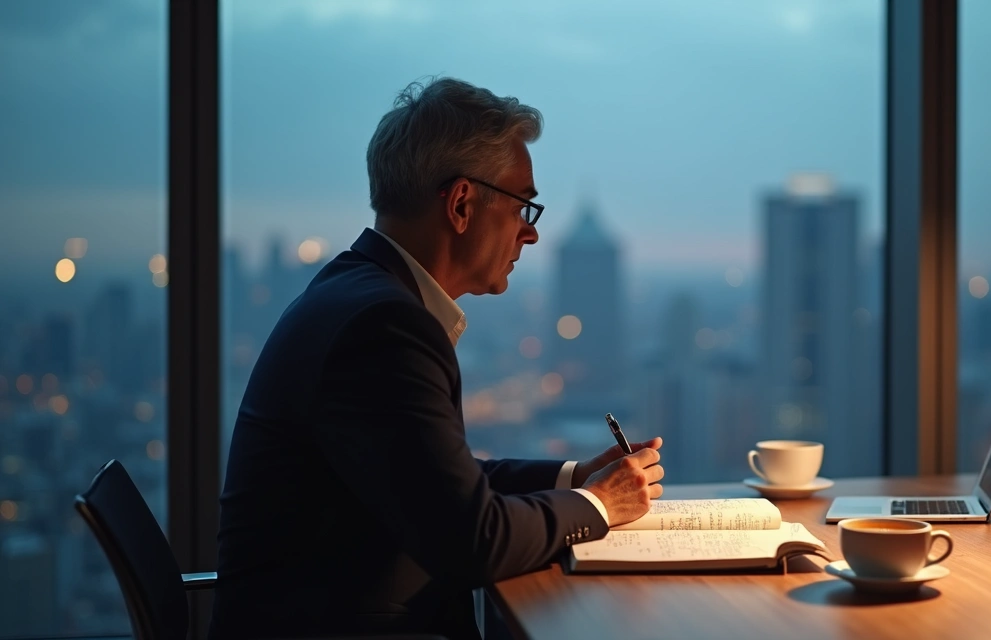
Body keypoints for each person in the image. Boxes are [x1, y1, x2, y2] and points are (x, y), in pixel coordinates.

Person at [209, 77, 665, 640]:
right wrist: (598, 506)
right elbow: (472, 539)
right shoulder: (383, 328)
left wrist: (576, 478)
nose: (531, 236)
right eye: (524, 207)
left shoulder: (359, 294)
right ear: (461, 204)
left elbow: (441, 482)